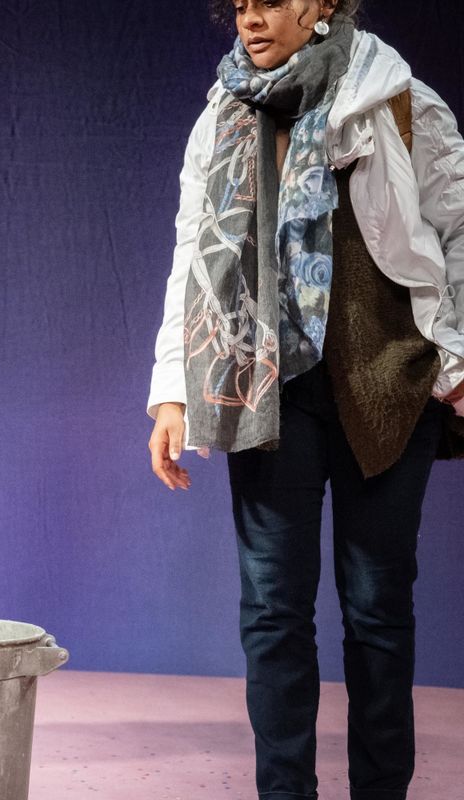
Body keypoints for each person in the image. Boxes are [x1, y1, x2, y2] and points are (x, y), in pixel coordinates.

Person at [146, 1, 464, 798]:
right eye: (241, 5)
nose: (251, 20)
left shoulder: (398, 99)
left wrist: (458, 354)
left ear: (323, 5)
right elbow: (193, 249)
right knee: (273, 612)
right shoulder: (224, 113)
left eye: (272, 1)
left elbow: (459, 229)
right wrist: (173, 391)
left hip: (388, 378)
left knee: (378, 609)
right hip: (265, 388)